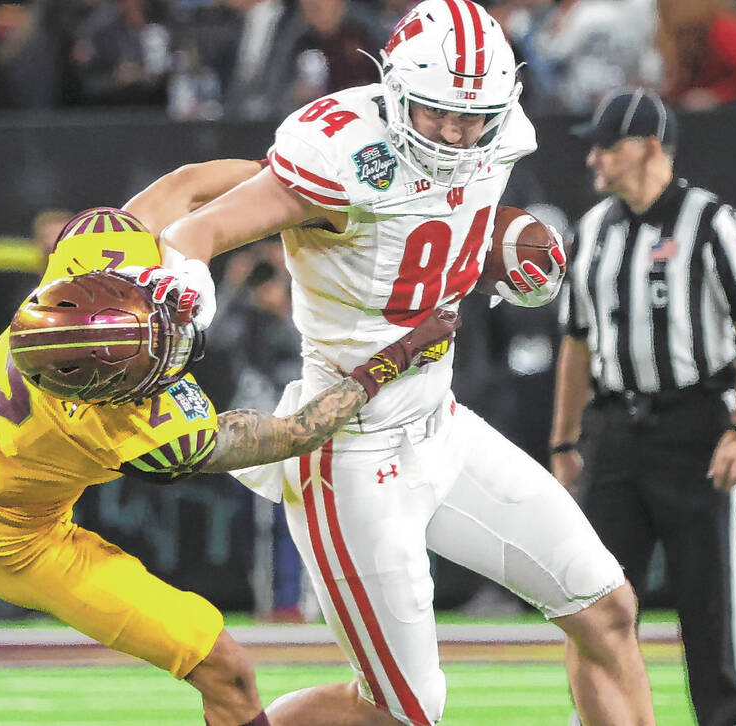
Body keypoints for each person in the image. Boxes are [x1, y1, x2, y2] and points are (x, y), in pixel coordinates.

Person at [0, 197, 461, 726]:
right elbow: (291, 434)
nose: (162, 341)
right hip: (16, 529)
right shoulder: (138, 425)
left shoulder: (73, 295)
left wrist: (294, 188)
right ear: (102, 389)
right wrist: (391, 360)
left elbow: (186, 186)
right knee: (223, 668)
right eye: (139, 351)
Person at [143, 2, 657, 724]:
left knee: (605, 609)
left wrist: (505, 250)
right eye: (436, 113)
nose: (455, 133)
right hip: (347, 451)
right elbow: (194, 232)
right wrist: (185, 292)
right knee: (400, 711)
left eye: (471, 116)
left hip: (438, 424)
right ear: (395, 91)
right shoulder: (342, 153)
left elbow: (442, 220)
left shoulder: (500, 135)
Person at [550, 88, 736, 726]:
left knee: (708, 602)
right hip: (616, 430)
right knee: (595, 599)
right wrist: (565, 444)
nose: (593, 158)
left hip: (695, 424)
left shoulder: (709, 219)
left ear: (650, 147)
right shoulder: (591, 229)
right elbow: (576, 342)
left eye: (607, 144)